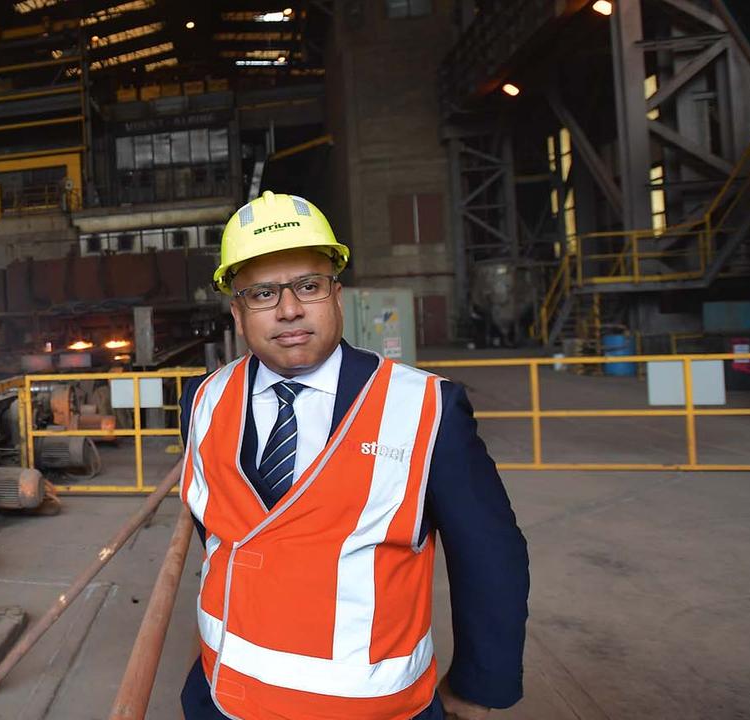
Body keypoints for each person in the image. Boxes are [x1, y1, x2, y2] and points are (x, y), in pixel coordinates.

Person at [177, 191, 529, 720]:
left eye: (308, 286)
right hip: (222, 696)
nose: (289, 309)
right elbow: (223, 530)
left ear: (337, 294)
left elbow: (488, 553)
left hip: (371, 710)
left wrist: (480, 685)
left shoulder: (426, 408)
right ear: (238, 312)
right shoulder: (203, 400)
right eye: (263, 293)